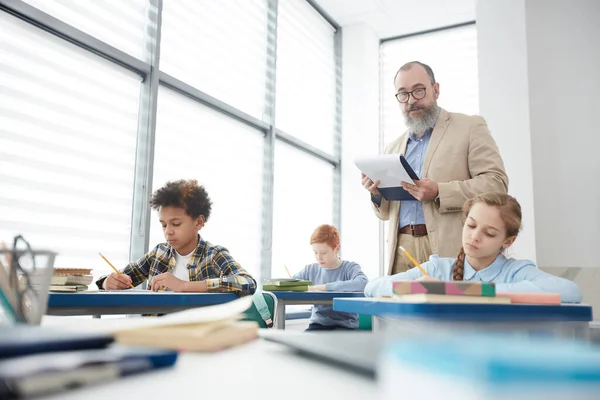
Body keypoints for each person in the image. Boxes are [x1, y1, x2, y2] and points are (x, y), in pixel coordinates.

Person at [362, 61, 508, 275]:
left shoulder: (470, 127)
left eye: (418, 91)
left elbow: (497, 184)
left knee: (449, 309)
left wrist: (440, 191)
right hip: (401, 249)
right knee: (399, 309)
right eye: (403, 94)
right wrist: (376, 195)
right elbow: (385, 214)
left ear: (436, 89)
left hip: (447, 246)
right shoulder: (392, 148)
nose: (411, 100)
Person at [364, 193, 582, 304]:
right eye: (471, 225)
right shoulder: (438, 268)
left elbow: (571, 291)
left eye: (489, 233)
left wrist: (460, 292)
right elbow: (373, 288)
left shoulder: (514, 272)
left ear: (508, 242)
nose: (474, 237)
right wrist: (417, 289)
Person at [96, 179, 256, 296]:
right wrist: (107, 283)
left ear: (199, 222)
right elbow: (122, 277)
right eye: (164, 225)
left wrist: (186, 286)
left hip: (200, 336)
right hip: (157, 334)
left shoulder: (213, 255)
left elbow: (247, 282)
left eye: (176, 224)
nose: (168, 232)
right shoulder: (158, 253)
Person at [293, 224, 368, 331]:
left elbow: (363, 283)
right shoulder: (310, 270)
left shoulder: (349, 268)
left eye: (323, 253)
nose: (319, 258)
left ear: (337, 249)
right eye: (315, 252)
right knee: (303, 345)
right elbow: (292, 283)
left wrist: (323, 287)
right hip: (318, 324)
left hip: (345, 326)